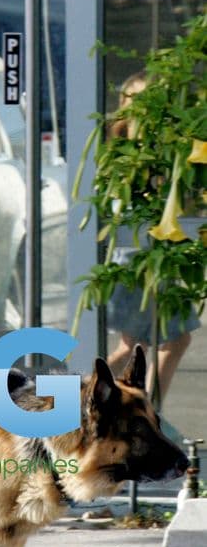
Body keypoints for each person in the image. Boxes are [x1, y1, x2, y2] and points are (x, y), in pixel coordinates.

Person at [105, 73, 200, 414]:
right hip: (136, 262)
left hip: (142, 260)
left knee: (144, 345)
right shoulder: (136, 157)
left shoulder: (140, 151)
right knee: (153, 343)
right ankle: (137, 410)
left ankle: (84, 395)